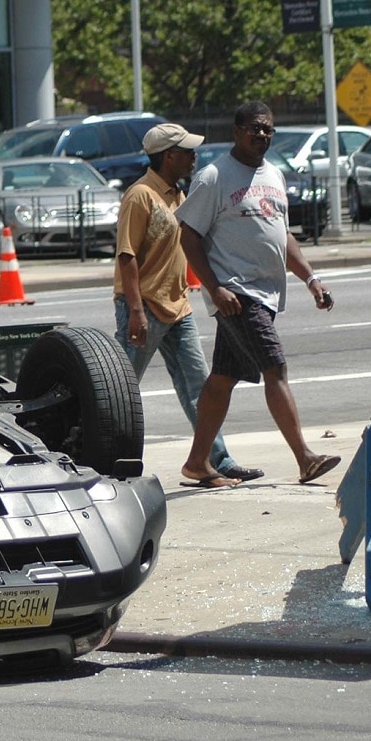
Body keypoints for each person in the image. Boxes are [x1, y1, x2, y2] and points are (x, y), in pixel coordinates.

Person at [175, 102, 341, 486]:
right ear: (236, 131)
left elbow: (283, 237)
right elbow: (189, 236)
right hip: (237, 294)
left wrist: (311, 279)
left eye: (268, 130)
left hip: (265, 295)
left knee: (222, 379)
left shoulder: (275, 175)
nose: (262, 135)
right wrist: (214, 288)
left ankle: (198, 461)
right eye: (254, 129)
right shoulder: (214, 177)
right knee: (275, 367)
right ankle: (305, 458)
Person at [115, 123, 264, 487]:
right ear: (169, 156)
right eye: (188, 151)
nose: (194, 157)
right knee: (118, 391)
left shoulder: (178, 195)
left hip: (177, 307)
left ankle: (215, 461)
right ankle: (93, 461)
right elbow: (126, 257)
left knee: (200, 387)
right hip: (144, 307)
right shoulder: (141, 196)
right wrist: (135, 311)